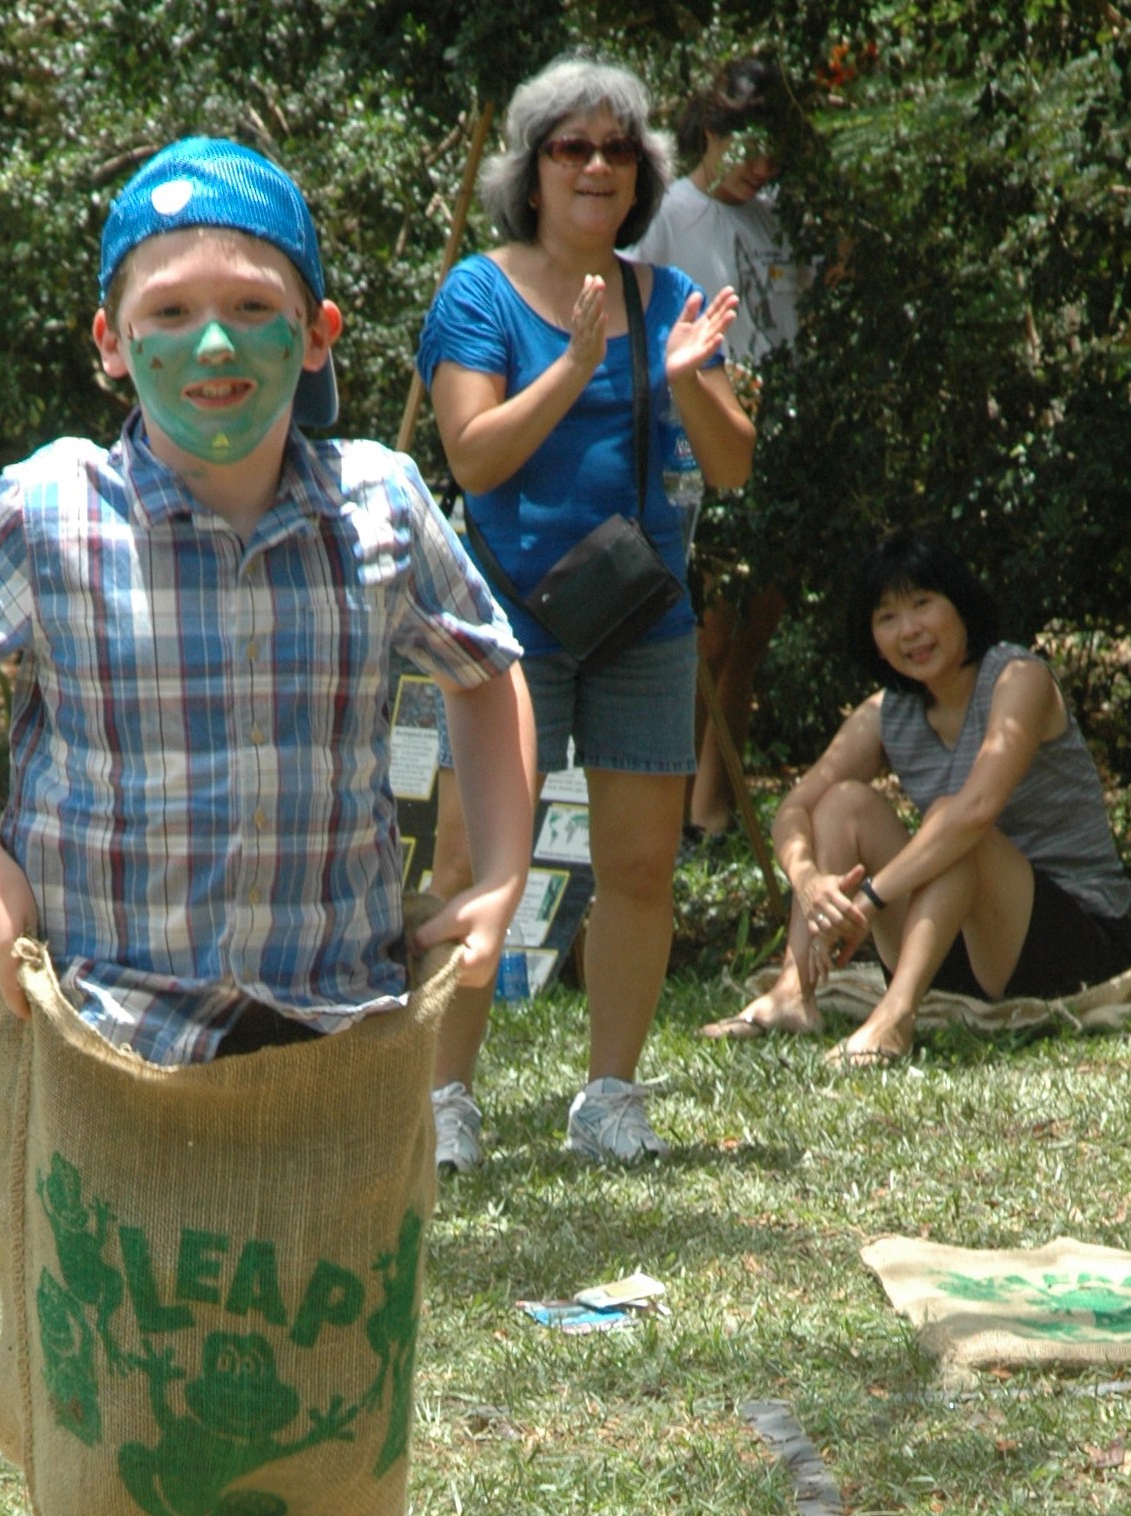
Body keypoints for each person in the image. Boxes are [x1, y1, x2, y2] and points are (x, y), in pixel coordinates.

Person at [0, 140, 534, 1516]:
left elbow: (488, 668)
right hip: (113, 1064)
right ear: (109, 339)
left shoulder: (383, 506)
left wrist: (499, 869)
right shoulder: (51, 511)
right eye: (172, 316)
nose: (213, 350)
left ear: (318, 333)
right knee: (120, 1483)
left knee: (325, 1481)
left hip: (329, 1061)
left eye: (252, 313)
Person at [416, 55, 753, 1168]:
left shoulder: (669, 300)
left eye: (617, 148)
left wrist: (690, 375)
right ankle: (442, 1098)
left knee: (640, 868)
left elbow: (733, 468)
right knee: (471, 868)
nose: (597, 165)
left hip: (641, 622)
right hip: (508, 620)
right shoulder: (478, 293)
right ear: (533, 169)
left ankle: (608, 1094)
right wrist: (574, 363)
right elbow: (472, 455)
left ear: (642, 172)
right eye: (572, 146)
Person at [702, 531, 1131, 1060]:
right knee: (841, 803)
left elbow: (975, 813)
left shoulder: (1019, 677)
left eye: (923, 604)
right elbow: (795, 808)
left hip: (1071, 939)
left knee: (955, 822)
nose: (910, 630)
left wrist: (870, 898)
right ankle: (793, 990)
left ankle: (896, 1016)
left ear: (961, 606)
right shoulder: (888, 712)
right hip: (954, 943)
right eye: (887, 617)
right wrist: (810, 882)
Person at [636, 55, 801, 842]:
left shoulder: (772, 215)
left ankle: (713, 808)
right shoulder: (667, 211)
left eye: (772, 153)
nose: (759, 168)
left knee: (756, 622)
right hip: (693, 427)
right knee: (706, 626)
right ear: (709, 131)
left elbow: (785, 321)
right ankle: (665, 811)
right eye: (746, 148)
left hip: (775, 426)